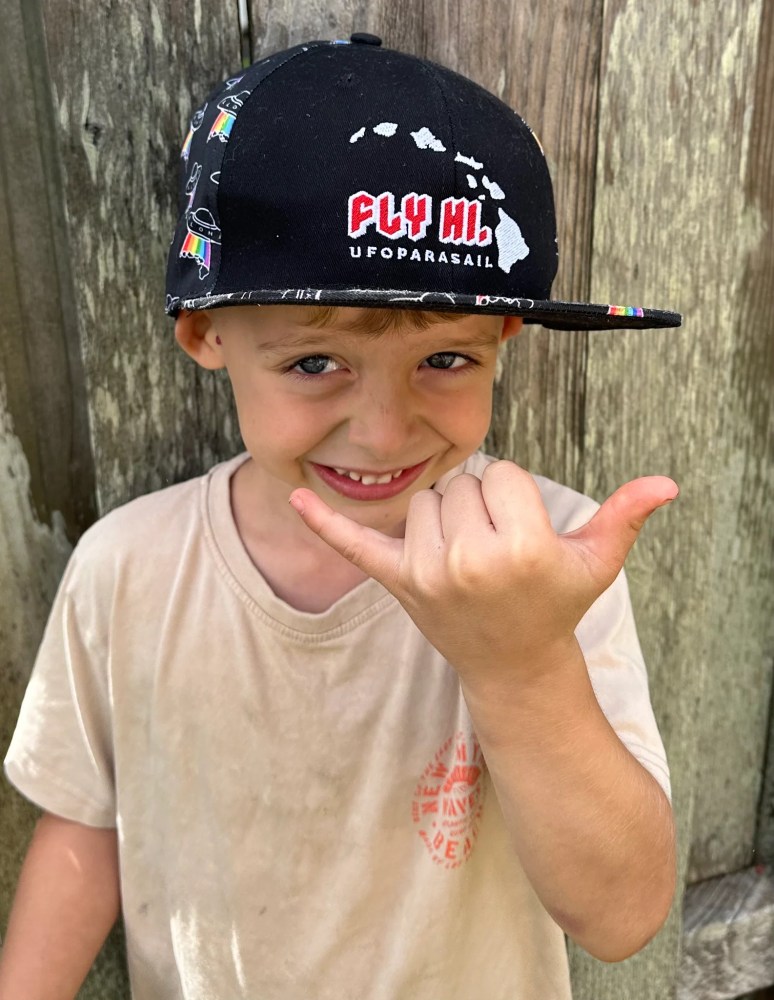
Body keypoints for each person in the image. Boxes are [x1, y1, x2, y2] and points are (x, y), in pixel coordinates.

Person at [0, 34, 681, 1000]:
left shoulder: (550, 569)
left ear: (505, 335)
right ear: (205, 332)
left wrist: (521, 662)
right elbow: (86, 828)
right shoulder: (129, 568)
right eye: (315, 362)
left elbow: (622, 916)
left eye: (446, 359)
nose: (383, 428)